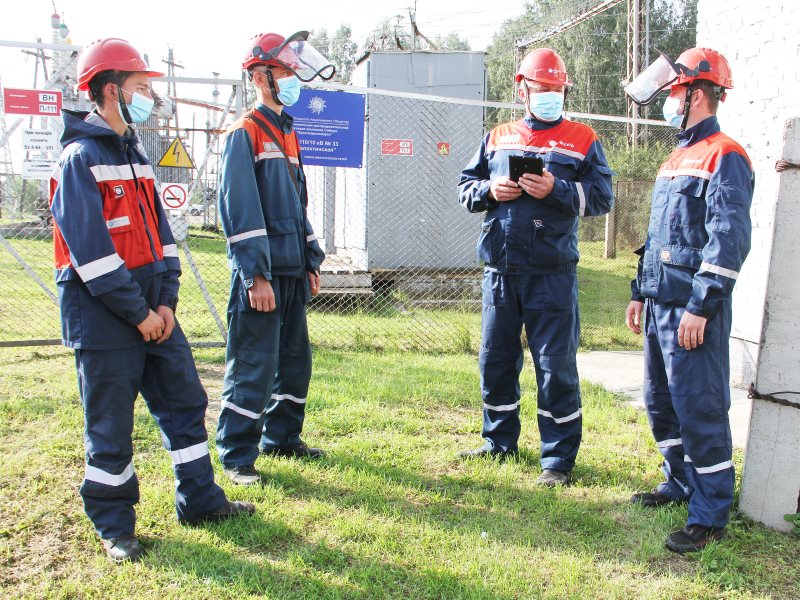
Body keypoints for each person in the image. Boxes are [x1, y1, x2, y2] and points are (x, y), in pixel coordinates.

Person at [49, 38, 255, 563]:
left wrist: (164, 304)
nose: (150, 97)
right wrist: (138, 313)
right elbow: (91, 255)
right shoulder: (79, 159)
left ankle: (201, 501)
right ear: (112, 91)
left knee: (185, 402)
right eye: (142, 87)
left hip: (152, 312)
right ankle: (115, 525)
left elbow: (163, 241)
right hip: (103, 318)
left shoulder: (136, 156)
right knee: (111, 425)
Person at [457, 48, 614, 486]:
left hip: (552, 275)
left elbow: (601, 198)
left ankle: (557, 460)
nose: (550, 96)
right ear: (521, 88)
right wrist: (492, 190)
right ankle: (498, 443)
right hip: (501, 273)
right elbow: (466, 187)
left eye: (557, 90)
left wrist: (556, 188)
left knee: (555, 366)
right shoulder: (498, 135)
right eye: (542, 89)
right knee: (496, 361)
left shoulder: (582, 139)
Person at [623, 47, 753, 553]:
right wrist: (640, 291)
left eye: (674, 93)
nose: (669, 102)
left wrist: (702, 305)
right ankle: (679, 482)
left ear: (697, 94)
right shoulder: (677, 156)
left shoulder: (726, 154)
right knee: (661, 402)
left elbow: (727, 239)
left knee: (699, 407)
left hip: (692, 309)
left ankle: (710, 510)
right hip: (661, 302)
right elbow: (657, 236)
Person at [215, 32, 334, 485]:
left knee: (294, 361)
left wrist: (310, 262)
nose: (293, 81)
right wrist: (255, 275)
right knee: (253, 363)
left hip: (291, 271)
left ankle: (282, 438)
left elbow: (296, 206)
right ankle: (236, 455)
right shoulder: (244, 132)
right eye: (285, 73)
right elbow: (240, 211)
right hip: (262, 277)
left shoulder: (287, 132)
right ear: (260, 78)